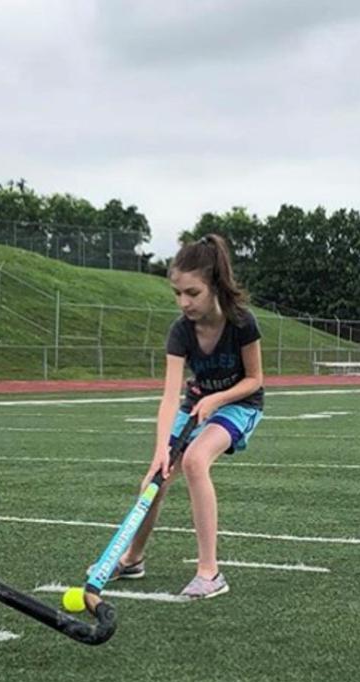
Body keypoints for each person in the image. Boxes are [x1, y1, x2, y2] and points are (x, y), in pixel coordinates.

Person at [99, 234, 264, 599]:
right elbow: (170, 396)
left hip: (241, 404)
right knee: (155, 478)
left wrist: (219, 398)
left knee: (195, 460)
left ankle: (210, 573)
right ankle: (132, 558)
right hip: (195, 404)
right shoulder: (180, 331)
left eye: (193, 293)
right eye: (178, 294)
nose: (184, 302)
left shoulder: (242, 323)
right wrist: (161, 449)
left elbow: (255, 380)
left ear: (215, 287)